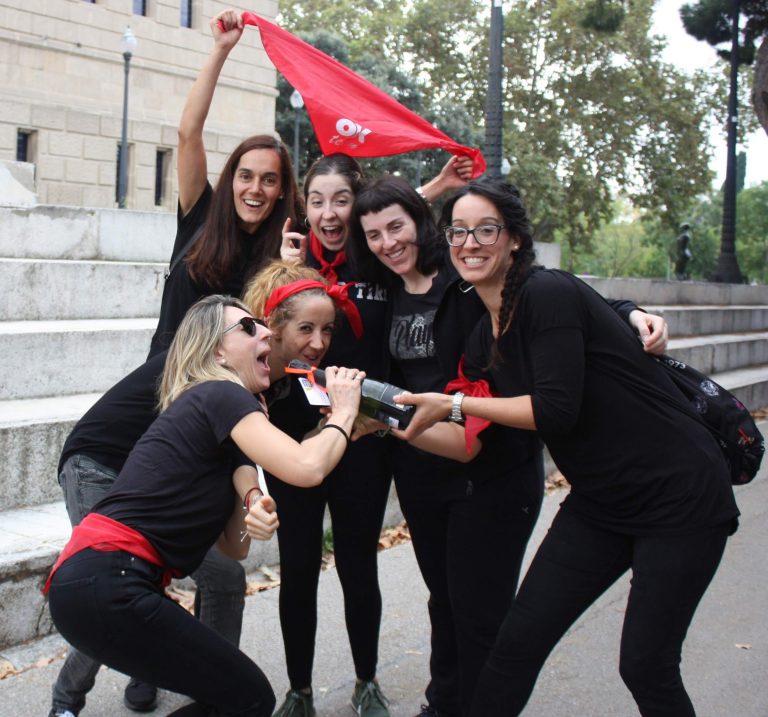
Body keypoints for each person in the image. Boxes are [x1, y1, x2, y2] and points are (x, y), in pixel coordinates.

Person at [397, 179, 739, 717]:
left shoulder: (544, 292)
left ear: (513, 239)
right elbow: (470, 442)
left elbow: (555, 410)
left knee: (646, 666)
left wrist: (455, 405)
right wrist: (388, 425)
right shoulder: (485, 336)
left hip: (680, 495)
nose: (470, 243)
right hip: (602, 504)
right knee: (515, 646)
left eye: (486, 229)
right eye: (458, 231)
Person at [346, 176, 669, 717]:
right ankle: (444, 702)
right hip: (422, 467)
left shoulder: (469, 273)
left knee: (481, 614)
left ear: (423, 225)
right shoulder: (379, 293)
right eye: (374, 234)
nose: (387, 243)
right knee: (444, 602)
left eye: (396, 227)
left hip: (492, 469)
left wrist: (631, 312)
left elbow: (557, 302)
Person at [46, 295, 364, 717]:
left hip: (93, 588)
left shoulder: (220, 425)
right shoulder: (219, 392)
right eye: (249, 328)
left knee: (238, 698)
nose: (266, 331)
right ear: (217, 351)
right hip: (111, 579)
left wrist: (254, 512)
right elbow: (308, 467)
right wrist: (343, 411)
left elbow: (236, 548)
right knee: (249, 698)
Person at [266, 154, 471, 717]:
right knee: (299, 564)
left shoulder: (375, 258)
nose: (329, 213)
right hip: (295, 437)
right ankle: (299, 689)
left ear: (355, 204)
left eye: (341, 200)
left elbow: (397, 224)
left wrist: (435, 188)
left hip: (366, 439)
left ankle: (366, 681)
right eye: (316, 200)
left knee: (360, 562)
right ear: (303, 206)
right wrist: (287, 272)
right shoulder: (290, 258)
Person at [149, 8, 302, 358]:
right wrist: (221, 49)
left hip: (233, 389)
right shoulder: (200, 213)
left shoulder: (286, 248)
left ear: (281, 191)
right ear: (231, 179)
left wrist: (286, 274)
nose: (254, 189)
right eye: (245, 176)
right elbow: (188, 133)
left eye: (268, 180)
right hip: (167, 373)